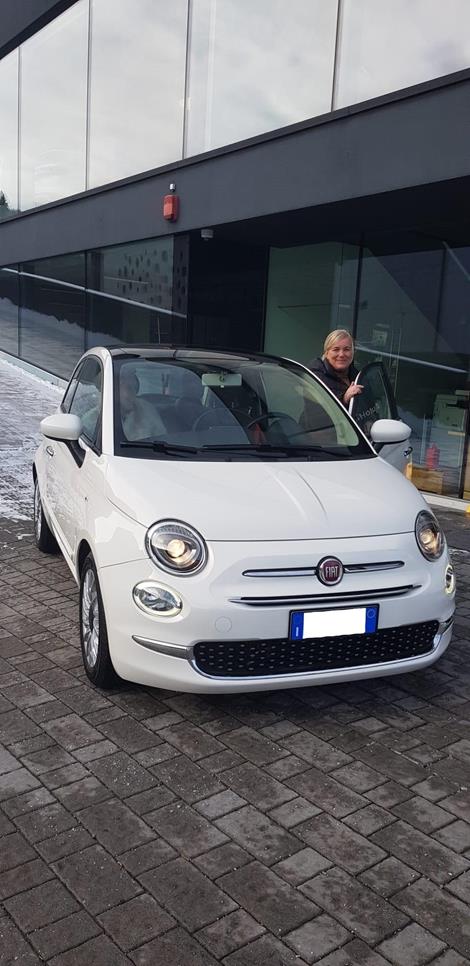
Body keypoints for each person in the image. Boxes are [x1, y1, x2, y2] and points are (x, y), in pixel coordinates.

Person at [307, 329, 363, 407]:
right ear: (326, 353)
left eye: (347, 349)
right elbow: (317, 409)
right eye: (336, 349)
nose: (341, 354)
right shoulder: (315, 376)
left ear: (353, 352)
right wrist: (344, 399)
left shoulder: (358, 376)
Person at [119, 368, 166, 441]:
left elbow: (162, 437)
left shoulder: (147, 409)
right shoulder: (102, 412)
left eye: (135, 388)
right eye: (129, 388)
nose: (133, 394)